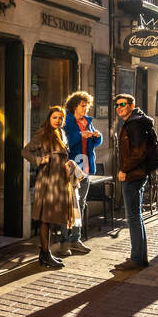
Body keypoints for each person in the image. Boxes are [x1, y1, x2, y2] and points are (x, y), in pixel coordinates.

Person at [22, 104, 76, 268]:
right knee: (45, 219)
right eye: (55, 117)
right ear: (49, 118)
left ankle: (45, 254)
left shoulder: (61, 133)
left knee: (51, 219)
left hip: (60, 181)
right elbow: (25, 151)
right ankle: (45, 254)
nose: (58, 120)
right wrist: (39, 160)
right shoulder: (43, 133)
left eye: (60, 118)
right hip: (47, 181)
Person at [114, 93, 158, 271]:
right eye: (117, 105)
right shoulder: (136, 121)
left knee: (133, 217)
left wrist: (124, 169)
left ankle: (137, 259)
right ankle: (139, 256)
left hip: (134, 174)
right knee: (136, 216)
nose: (119, 108)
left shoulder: (135, 124)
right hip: (138, 173)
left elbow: (138, 153)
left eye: (122, 104)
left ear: (131, 106)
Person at [60, 91, 103, 255]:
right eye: (83, 106)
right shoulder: (67, 121)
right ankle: (64, 241)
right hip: (71, 167)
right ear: (74, 106)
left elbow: (95, 143)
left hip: (85, 167)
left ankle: (75, 239)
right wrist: (80, 135)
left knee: (81, 204)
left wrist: (97, 136)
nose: (86, 109)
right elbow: (65, 142)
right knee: (69, 205)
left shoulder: (87, 121)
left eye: (87, 106)